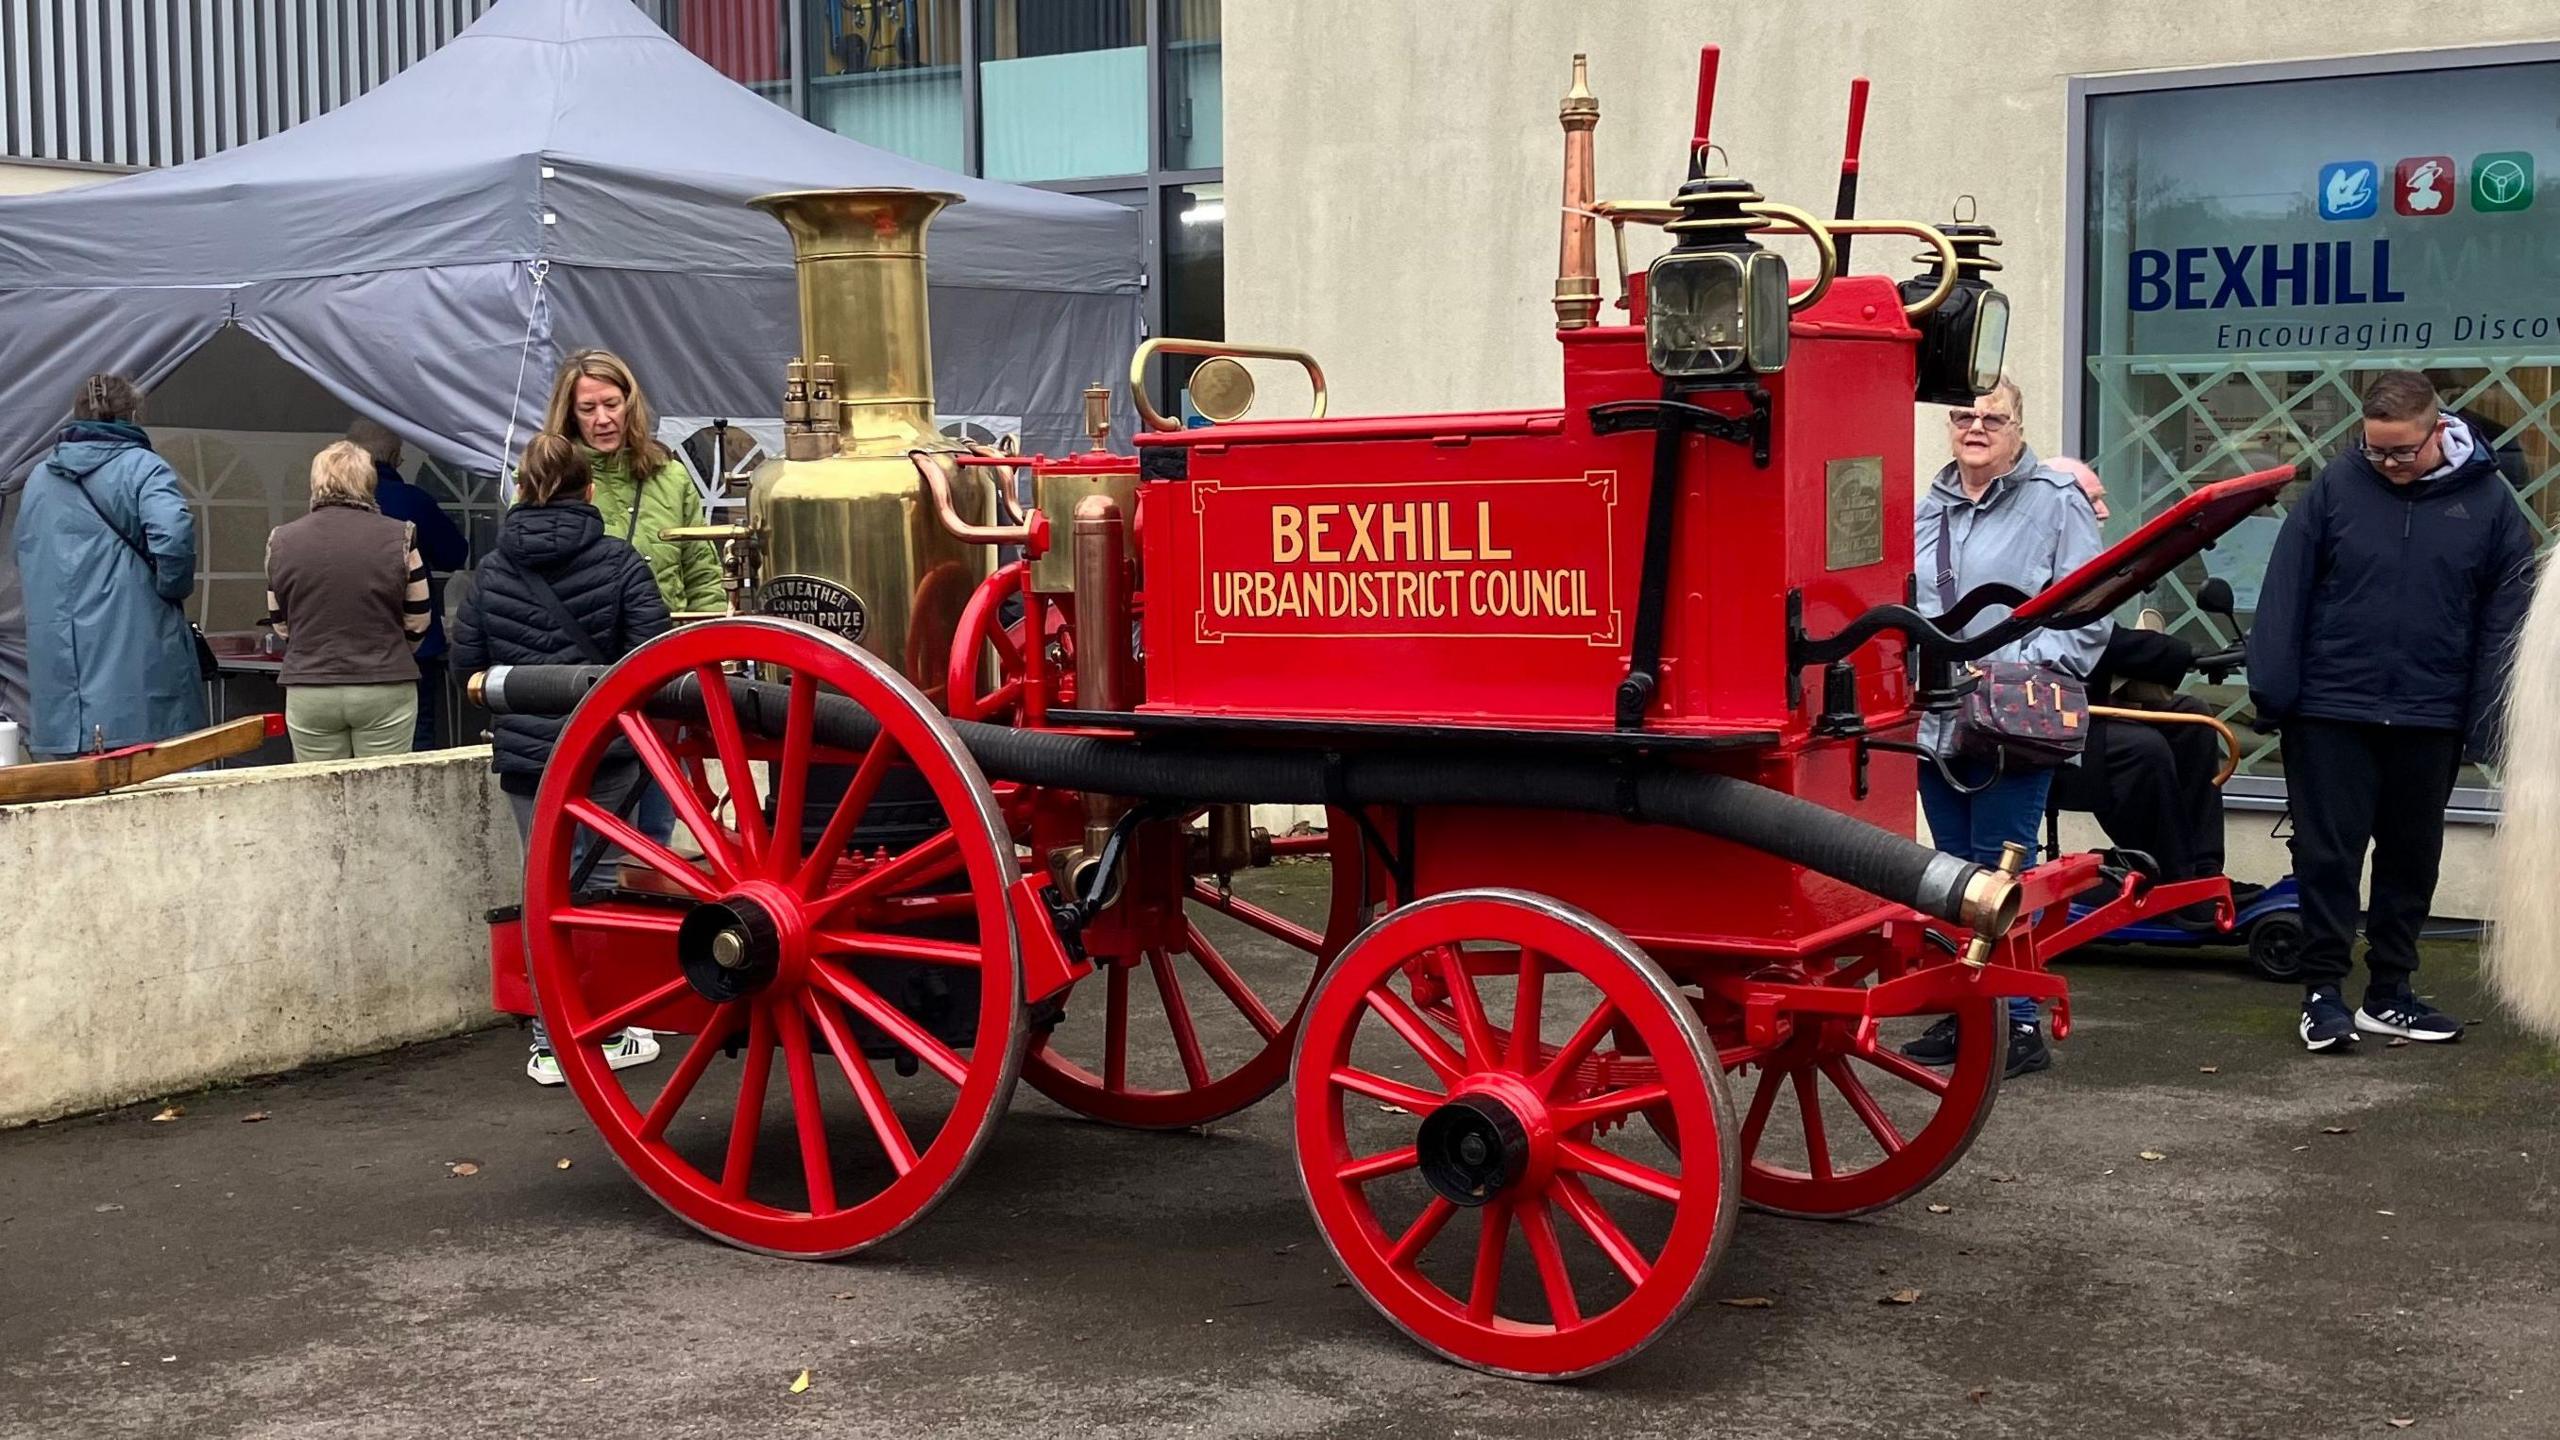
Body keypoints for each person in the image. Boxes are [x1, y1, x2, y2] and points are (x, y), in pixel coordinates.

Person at [2252, 369, 2534, 1053]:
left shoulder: (2491, 504)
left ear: (2439, 431)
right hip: (2331, 710)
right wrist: (2275, 691)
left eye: (2401, 452)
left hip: (2429, 714)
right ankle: (2322, 994)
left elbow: (2505, 619)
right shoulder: (2336, 489)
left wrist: (2486, 721)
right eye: (2375, 450)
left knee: (2412, 858)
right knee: (2328, 857)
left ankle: (2391, 994)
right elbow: (2286, 591)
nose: (2388, 464)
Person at [1901, 377, 2107, 1079]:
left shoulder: (2057, 502)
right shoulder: (1924, 508)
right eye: (1966, 414)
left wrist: (2007, 670)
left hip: (2013, 721)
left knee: (2000, 870)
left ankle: (2015, 1025)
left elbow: (2086, 617)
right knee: (1954, 875)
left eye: (1995, 417)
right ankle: (1970, 1013)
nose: (1978, 426)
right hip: (1933, 721)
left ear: (2020, 428)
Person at [451, 433, 672, 1086]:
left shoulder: (492, 570)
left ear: (522, 489)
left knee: (545, 886)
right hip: (607, 751)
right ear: (590, 490)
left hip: (527, 757)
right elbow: (653, 658)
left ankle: (550, 1042)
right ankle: (608, 1026)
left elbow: (469, 666)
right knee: (600, 889)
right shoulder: (621, 562)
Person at [541, 348, 724, 850]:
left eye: (612, 403)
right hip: (585, 672)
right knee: (593, 821)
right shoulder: (550, 479)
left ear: (631, 404)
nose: (602, 419)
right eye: (588, 408)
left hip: (662, 668)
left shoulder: (671, 477)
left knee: (660, 818)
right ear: (569, 413)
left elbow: (700, 570)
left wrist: (712, 657)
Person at [2044, 458, 2238, 916]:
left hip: (2085, 708)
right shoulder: (2040, 556)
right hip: (2039, 722)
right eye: (2093, 500)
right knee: (2141, 748)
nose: (2105, 511)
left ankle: (2202, 873)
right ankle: (2169, 879)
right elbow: (2095, 641)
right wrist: (2185, 654)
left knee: (2192, 721)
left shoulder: (2076, 554)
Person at [11, 374, 206, 759]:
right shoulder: (145, 468)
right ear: (132, 414)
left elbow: (24, 555)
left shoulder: (38, 479)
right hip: (140, 672)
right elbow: (173, 537)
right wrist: (171, 588)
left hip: (60, 695)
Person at [262, 442, 432, 762]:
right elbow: (418, 618)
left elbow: (281, 623)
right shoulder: (402, 536)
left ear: (316, 482)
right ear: (368, 482)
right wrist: (392, 650)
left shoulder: (281, 540)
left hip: (310, 685)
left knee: (321, 795)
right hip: (384, 684)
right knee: (382, 792)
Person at [347, 419, 469, 750]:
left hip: (340, 656)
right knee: (415, 746)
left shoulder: (323, 513)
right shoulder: (413, 502)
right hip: (408, 649)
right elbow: (454, 554)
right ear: (395, 457)